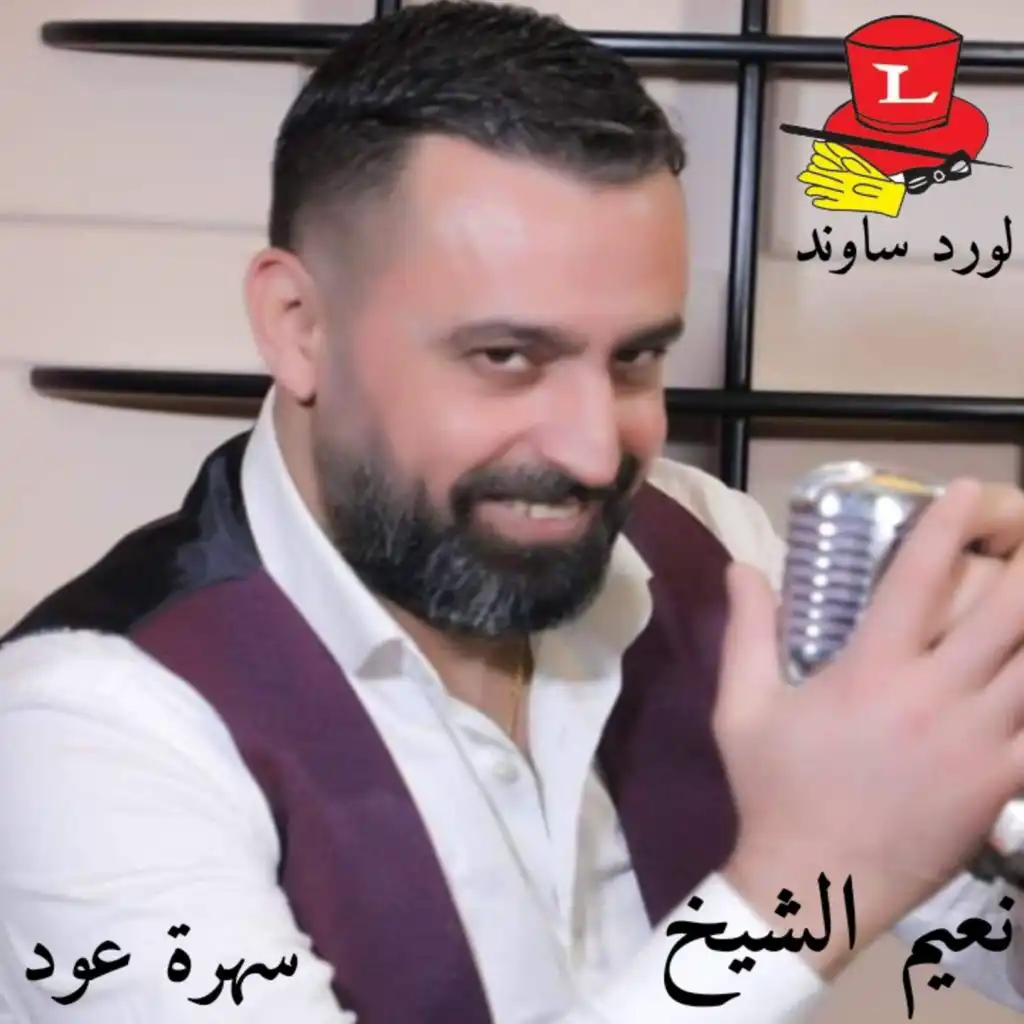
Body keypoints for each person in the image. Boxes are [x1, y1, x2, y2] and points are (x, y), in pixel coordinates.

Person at [1, 3, 1024, 1022]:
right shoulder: (85, 731)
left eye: (635, 358)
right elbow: (823, 874)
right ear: (299, 325)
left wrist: (994, 737)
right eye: (506, 357)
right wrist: (804, 882)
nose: (592, 451)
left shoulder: (709, 548)